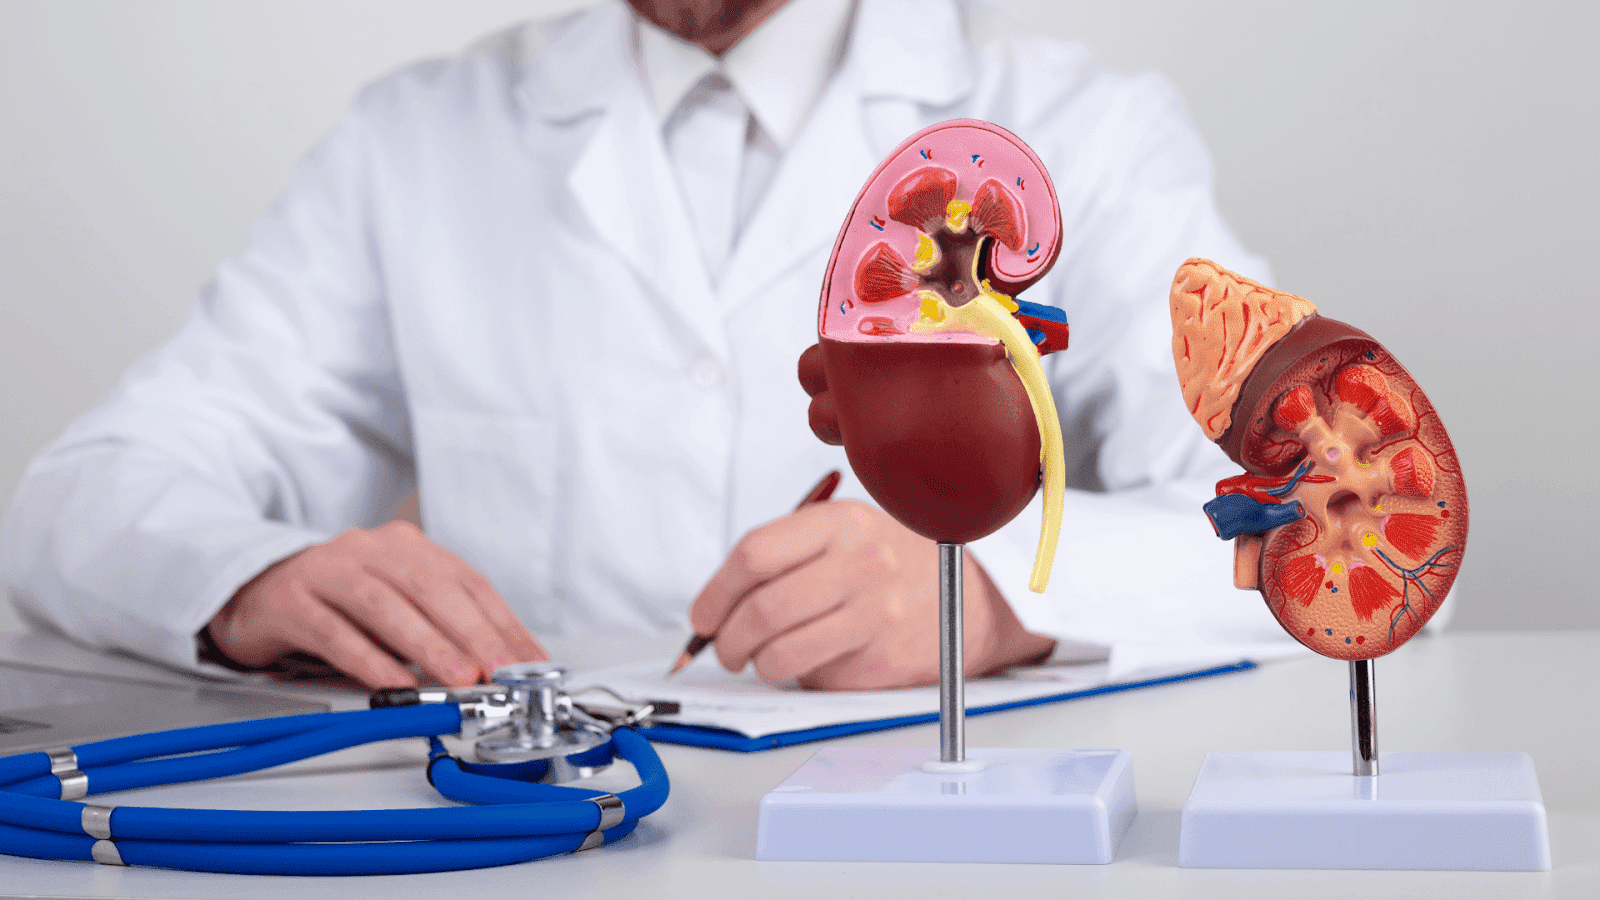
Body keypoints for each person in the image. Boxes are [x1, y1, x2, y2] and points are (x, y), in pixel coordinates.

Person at [0, 0, 1292, 692]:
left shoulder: (1086, 128)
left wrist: (1006, 593)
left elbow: (1337, 516)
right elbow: (80, 497)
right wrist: (243, 576)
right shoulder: (417, 141)